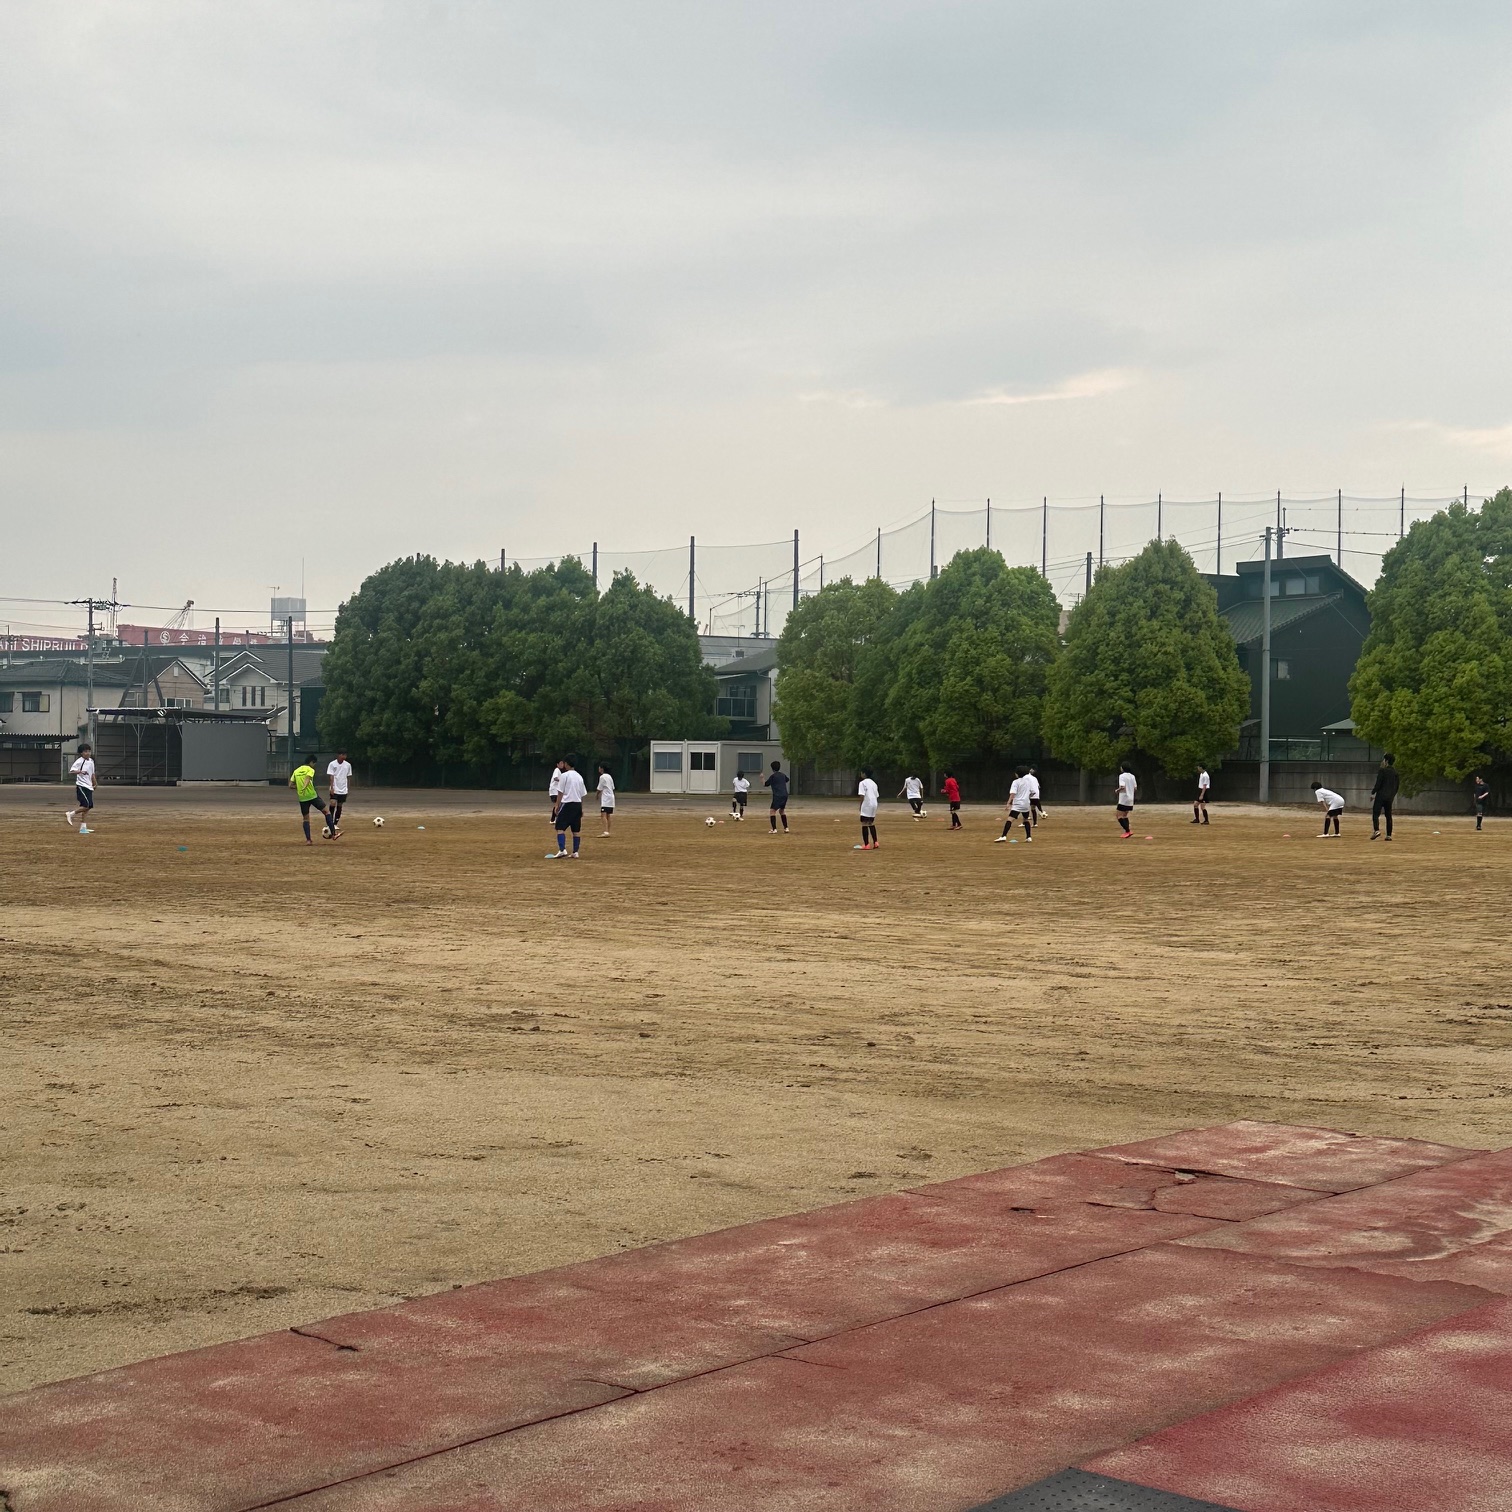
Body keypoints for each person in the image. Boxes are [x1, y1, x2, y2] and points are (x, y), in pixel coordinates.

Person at [547, 757, 587, 859]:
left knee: (560, 828)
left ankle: (562, 850)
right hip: (577, 804)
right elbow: (581, 794)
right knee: (576, 830)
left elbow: (560, 792)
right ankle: (575, 852)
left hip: (567, 804)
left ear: (566, 764)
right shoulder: (579, 777)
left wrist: (557, 805)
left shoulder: (564, 776)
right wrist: (581, 809)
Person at [289, 759, 332, 844]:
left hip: (302, 798)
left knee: (306, 819)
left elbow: (290, 785)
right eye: (314, 763)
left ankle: (308, 840)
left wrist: (299, 788)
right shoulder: (310, 769)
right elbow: (308, 778)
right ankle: (334, 834)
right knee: (326, 812)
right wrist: (305, 786)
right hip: (312, 796)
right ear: (311, 762)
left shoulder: (296, 771)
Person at [997, 766, 1036, 843]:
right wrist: (1027, 797)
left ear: (1017, 774)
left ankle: (1003, 836)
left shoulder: (1016, 782)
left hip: (1018, 804)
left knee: (1010, 819)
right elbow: (1033, 792)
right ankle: (1029, 837)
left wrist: (1008, 803)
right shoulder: (1028, 782)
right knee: (1025, 820)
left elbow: (1013, 794)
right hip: (1026, 804)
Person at [65, 742, 96, 831]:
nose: (88, 753)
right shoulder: (79, 761)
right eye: (85, 751)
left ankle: (83, 828)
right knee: (86, 805)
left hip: (89, 786)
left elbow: (92, 773)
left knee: (88, 807)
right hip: (81, 786)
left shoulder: (91, 761)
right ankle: (71, 814)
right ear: (81, 753)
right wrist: (80, 772)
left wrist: (95, 783)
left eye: (89, 751)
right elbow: (71, 771)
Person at [1370, 753, 1399, 841]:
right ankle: (1389, 835)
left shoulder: (1382, 771)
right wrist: (1392, 795)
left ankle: (1376, 830)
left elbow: (1378, 783)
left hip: (1381, 795)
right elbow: (1397, 786)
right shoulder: (1395, 773)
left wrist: (1373, 792)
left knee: (1375, 813)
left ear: (1386, 761)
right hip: (1390, 797)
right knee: (1388, 815)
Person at [326, 749, 353, 834]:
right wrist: (332, 788)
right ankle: (329, 823)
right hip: (335, 788)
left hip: (343, 789)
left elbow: (348, 777)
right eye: (343, 754)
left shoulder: (348, 765)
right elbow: (331, 776)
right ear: (339, 755)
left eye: (345, 755)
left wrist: (348, 788)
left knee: (340, 805)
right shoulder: (332, 764)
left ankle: (335, 823)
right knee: (332, 803)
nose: (344, 756)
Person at [855, 768, 880, 850]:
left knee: (864, 823)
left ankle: (867, 844)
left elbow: (862, 795)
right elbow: (876, 795)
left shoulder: (862, 783)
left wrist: (860, 805)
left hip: (867, 803)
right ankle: (876, 842)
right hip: (874, 804)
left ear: (864, 774)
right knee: (870, 823)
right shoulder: (874, 783)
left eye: (862, 773)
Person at [765, 759, 790, 833]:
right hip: (785, 795)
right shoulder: (782, 775)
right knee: (781, 811)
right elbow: (787, 780)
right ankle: (786, 828)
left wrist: (762, 778)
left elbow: (766, 784)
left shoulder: (773, 776)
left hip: (777, 795)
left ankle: (774, 829)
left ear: (772, 768)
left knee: (772, 811)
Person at [1115, 763, 1137, 838]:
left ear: (1123, 768)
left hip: (1124, 798)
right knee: (1124, 815)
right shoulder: (1132, 776)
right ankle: (1127, 831)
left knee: (1119, 816)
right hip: (1131, 799)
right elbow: (1135, 788)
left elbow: (1122, 786)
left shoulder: (1122, 776)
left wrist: (1117, 791)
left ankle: (1128, 831)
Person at [596, 762, 616, 836]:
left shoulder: (602, 777)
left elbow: (599, 788)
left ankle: (605, 831)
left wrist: (597, 795)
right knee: (608, 815)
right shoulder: (609, 776)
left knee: (603, 815)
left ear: (602, 769)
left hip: (606, 798)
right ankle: (608, 831)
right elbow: (613, 788)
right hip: (611, 797)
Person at [548, 759, 566, 827]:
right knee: (558, 804)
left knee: (558, 804)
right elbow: (555, 778)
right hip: (554, 791)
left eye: (563, 763)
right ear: (557, 764)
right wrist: (562, 781)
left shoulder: (559, 771)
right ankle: (554, 819)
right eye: (560, 763)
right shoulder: (557, 770)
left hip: (556, 791)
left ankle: (554, 819)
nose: (562, 765)